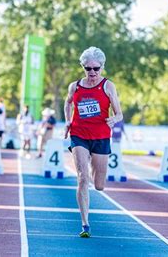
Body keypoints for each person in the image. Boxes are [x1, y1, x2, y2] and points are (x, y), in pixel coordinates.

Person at [64, 46, 123, 238]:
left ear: (102, 67)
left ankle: (93, 170)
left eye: (96, 69)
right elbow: (68, 103)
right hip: (79, 134)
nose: (92, 73)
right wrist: (67, 120)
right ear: (82, 67)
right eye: (88, 68)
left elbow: (119, 113)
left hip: (100, 136)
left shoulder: (108, 86)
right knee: (82, 177)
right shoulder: (75, 86)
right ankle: (85, 224)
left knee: (98, 185)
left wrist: (114, 119)